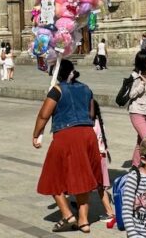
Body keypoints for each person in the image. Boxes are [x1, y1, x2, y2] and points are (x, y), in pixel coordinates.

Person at [32, 59, 102, 233]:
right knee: (83, 177)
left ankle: (68, 215)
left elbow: (43, 115)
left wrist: (36, 135)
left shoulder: (56, 90)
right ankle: (84, 221)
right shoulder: (86, 89)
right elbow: (91, 113)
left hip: (66, 135)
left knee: (52, 175)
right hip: (87, 135)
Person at [128, 52, 146, 166]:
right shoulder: (135, 76)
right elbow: (131, 95)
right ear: (143, 62)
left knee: (140, 141)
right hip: (137, 112)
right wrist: (141, 85)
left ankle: (135, 166)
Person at [92, 101, 115, 224]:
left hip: (95, 159)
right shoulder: (99, 123)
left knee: (97, 186)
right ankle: (109, 212)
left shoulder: (91, 126)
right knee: (100, 187)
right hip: (102, 157)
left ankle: (110, 213)